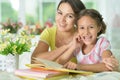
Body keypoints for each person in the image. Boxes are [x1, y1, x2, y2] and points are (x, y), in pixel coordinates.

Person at [31, 0, 118, 71]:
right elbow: (53, 63)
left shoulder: (93, 40)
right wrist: (70, 46)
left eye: (69, 16)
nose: (62, 20)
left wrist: (78, 66)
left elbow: (108, 65)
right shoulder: (76, 43)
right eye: (60, 13)